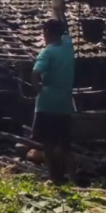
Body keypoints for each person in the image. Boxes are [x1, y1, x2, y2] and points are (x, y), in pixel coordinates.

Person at [32, 17, 76, 183]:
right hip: (65, 105)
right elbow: (66, 34)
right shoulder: (68, 47)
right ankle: (73, 179)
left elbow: (35, 74)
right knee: (66, 146)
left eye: (44, 32)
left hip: (47, 104)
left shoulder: (47, 52)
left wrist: (38, 89)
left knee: (48, 144)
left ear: (48, 33)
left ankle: (54, 178)